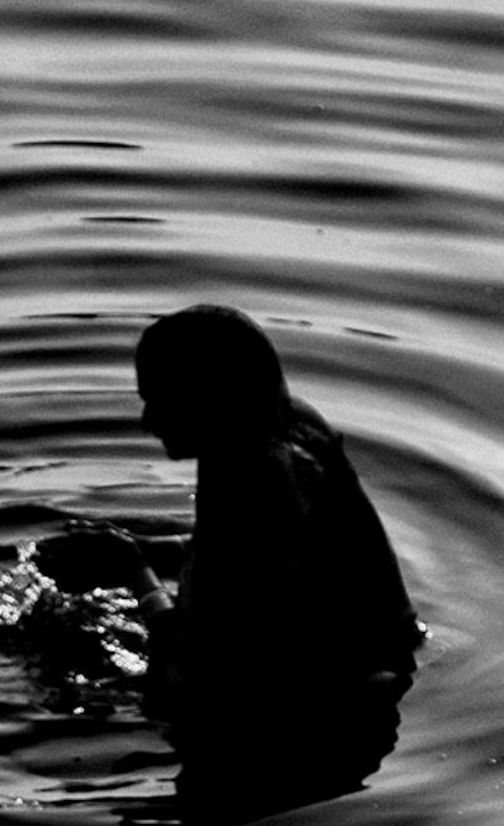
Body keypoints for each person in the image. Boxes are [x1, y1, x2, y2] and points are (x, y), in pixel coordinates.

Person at [128, 303, 419, 732]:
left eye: (161, 400)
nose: (146, 421)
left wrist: (134, 575)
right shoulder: (281, 425)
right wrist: (153, 550)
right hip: (385, 657)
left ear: (209, 398)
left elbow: (199, 650)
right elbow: (253, 560)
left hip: (318, 712)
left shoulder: (250, 477)